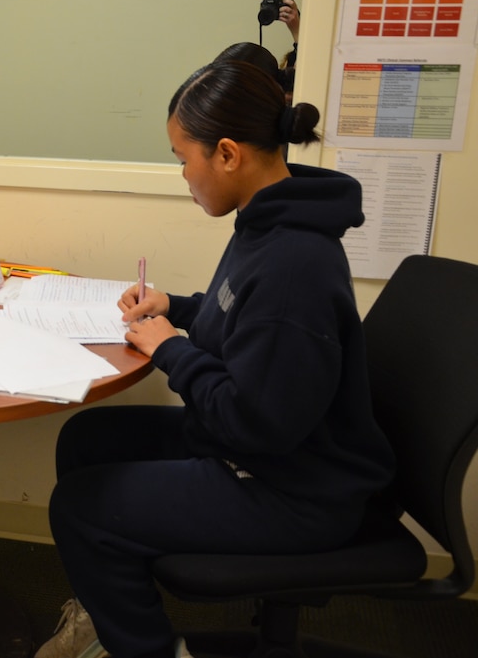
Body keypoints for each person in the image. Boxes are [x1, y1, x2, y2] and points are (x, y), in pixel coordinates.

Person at [36, 61, 395, 658]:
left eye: (183, 158)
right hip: (269, 453)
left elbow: (254, 422)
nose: (182, 174)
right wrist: (173, 305)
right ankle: (109, 613)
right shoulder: (268, 217)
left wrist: (170, 348)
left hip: (294, 490)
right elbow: (238, 313)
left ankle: (147, 648)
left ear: (227, 154)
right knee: (86, 440)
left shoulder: (294, 264)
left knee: (80, 509)